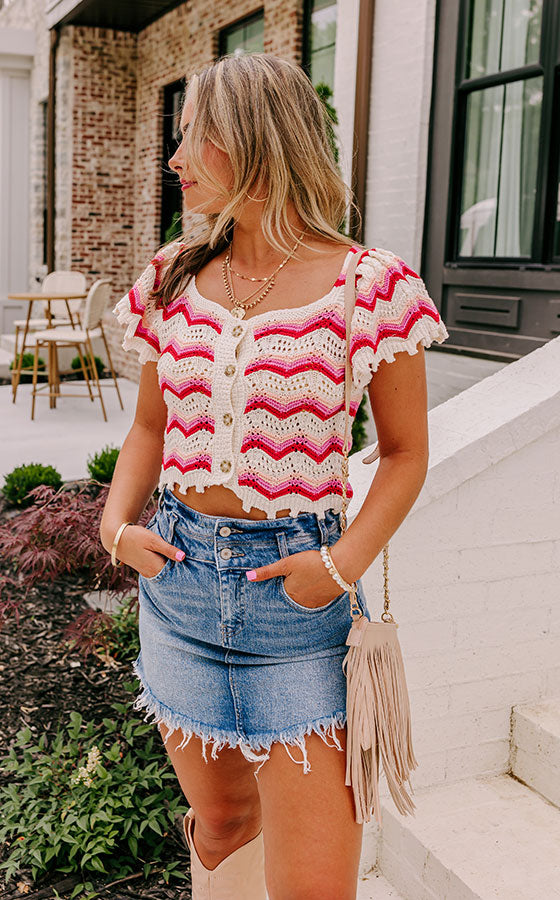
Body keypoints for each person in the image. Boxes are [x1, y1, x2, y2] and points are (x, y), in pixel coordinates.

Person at [101, 52, 449, 900]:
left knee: (315, 889)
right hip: (177, 588)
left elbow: (405, 453)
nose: (175, 159)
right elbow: (151, 423)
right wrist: (114, 527)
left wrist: (337, 568)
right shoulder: (175, 276)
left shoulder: (371, 286)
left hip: (299, 608)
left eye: (194, 138)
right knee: (220, 821)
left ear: (258, 141)